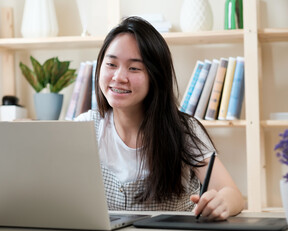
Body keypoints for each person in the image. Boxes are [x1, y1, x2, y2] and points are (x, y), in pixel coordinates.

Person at [75, 16, 244, 220]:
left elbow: (232, 194)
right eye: (111, 64)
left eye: (134, 68)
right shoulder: (84, 128)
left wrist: (221, 202)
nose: (119, 77)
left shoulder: (183, 130)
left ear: (156, 76)